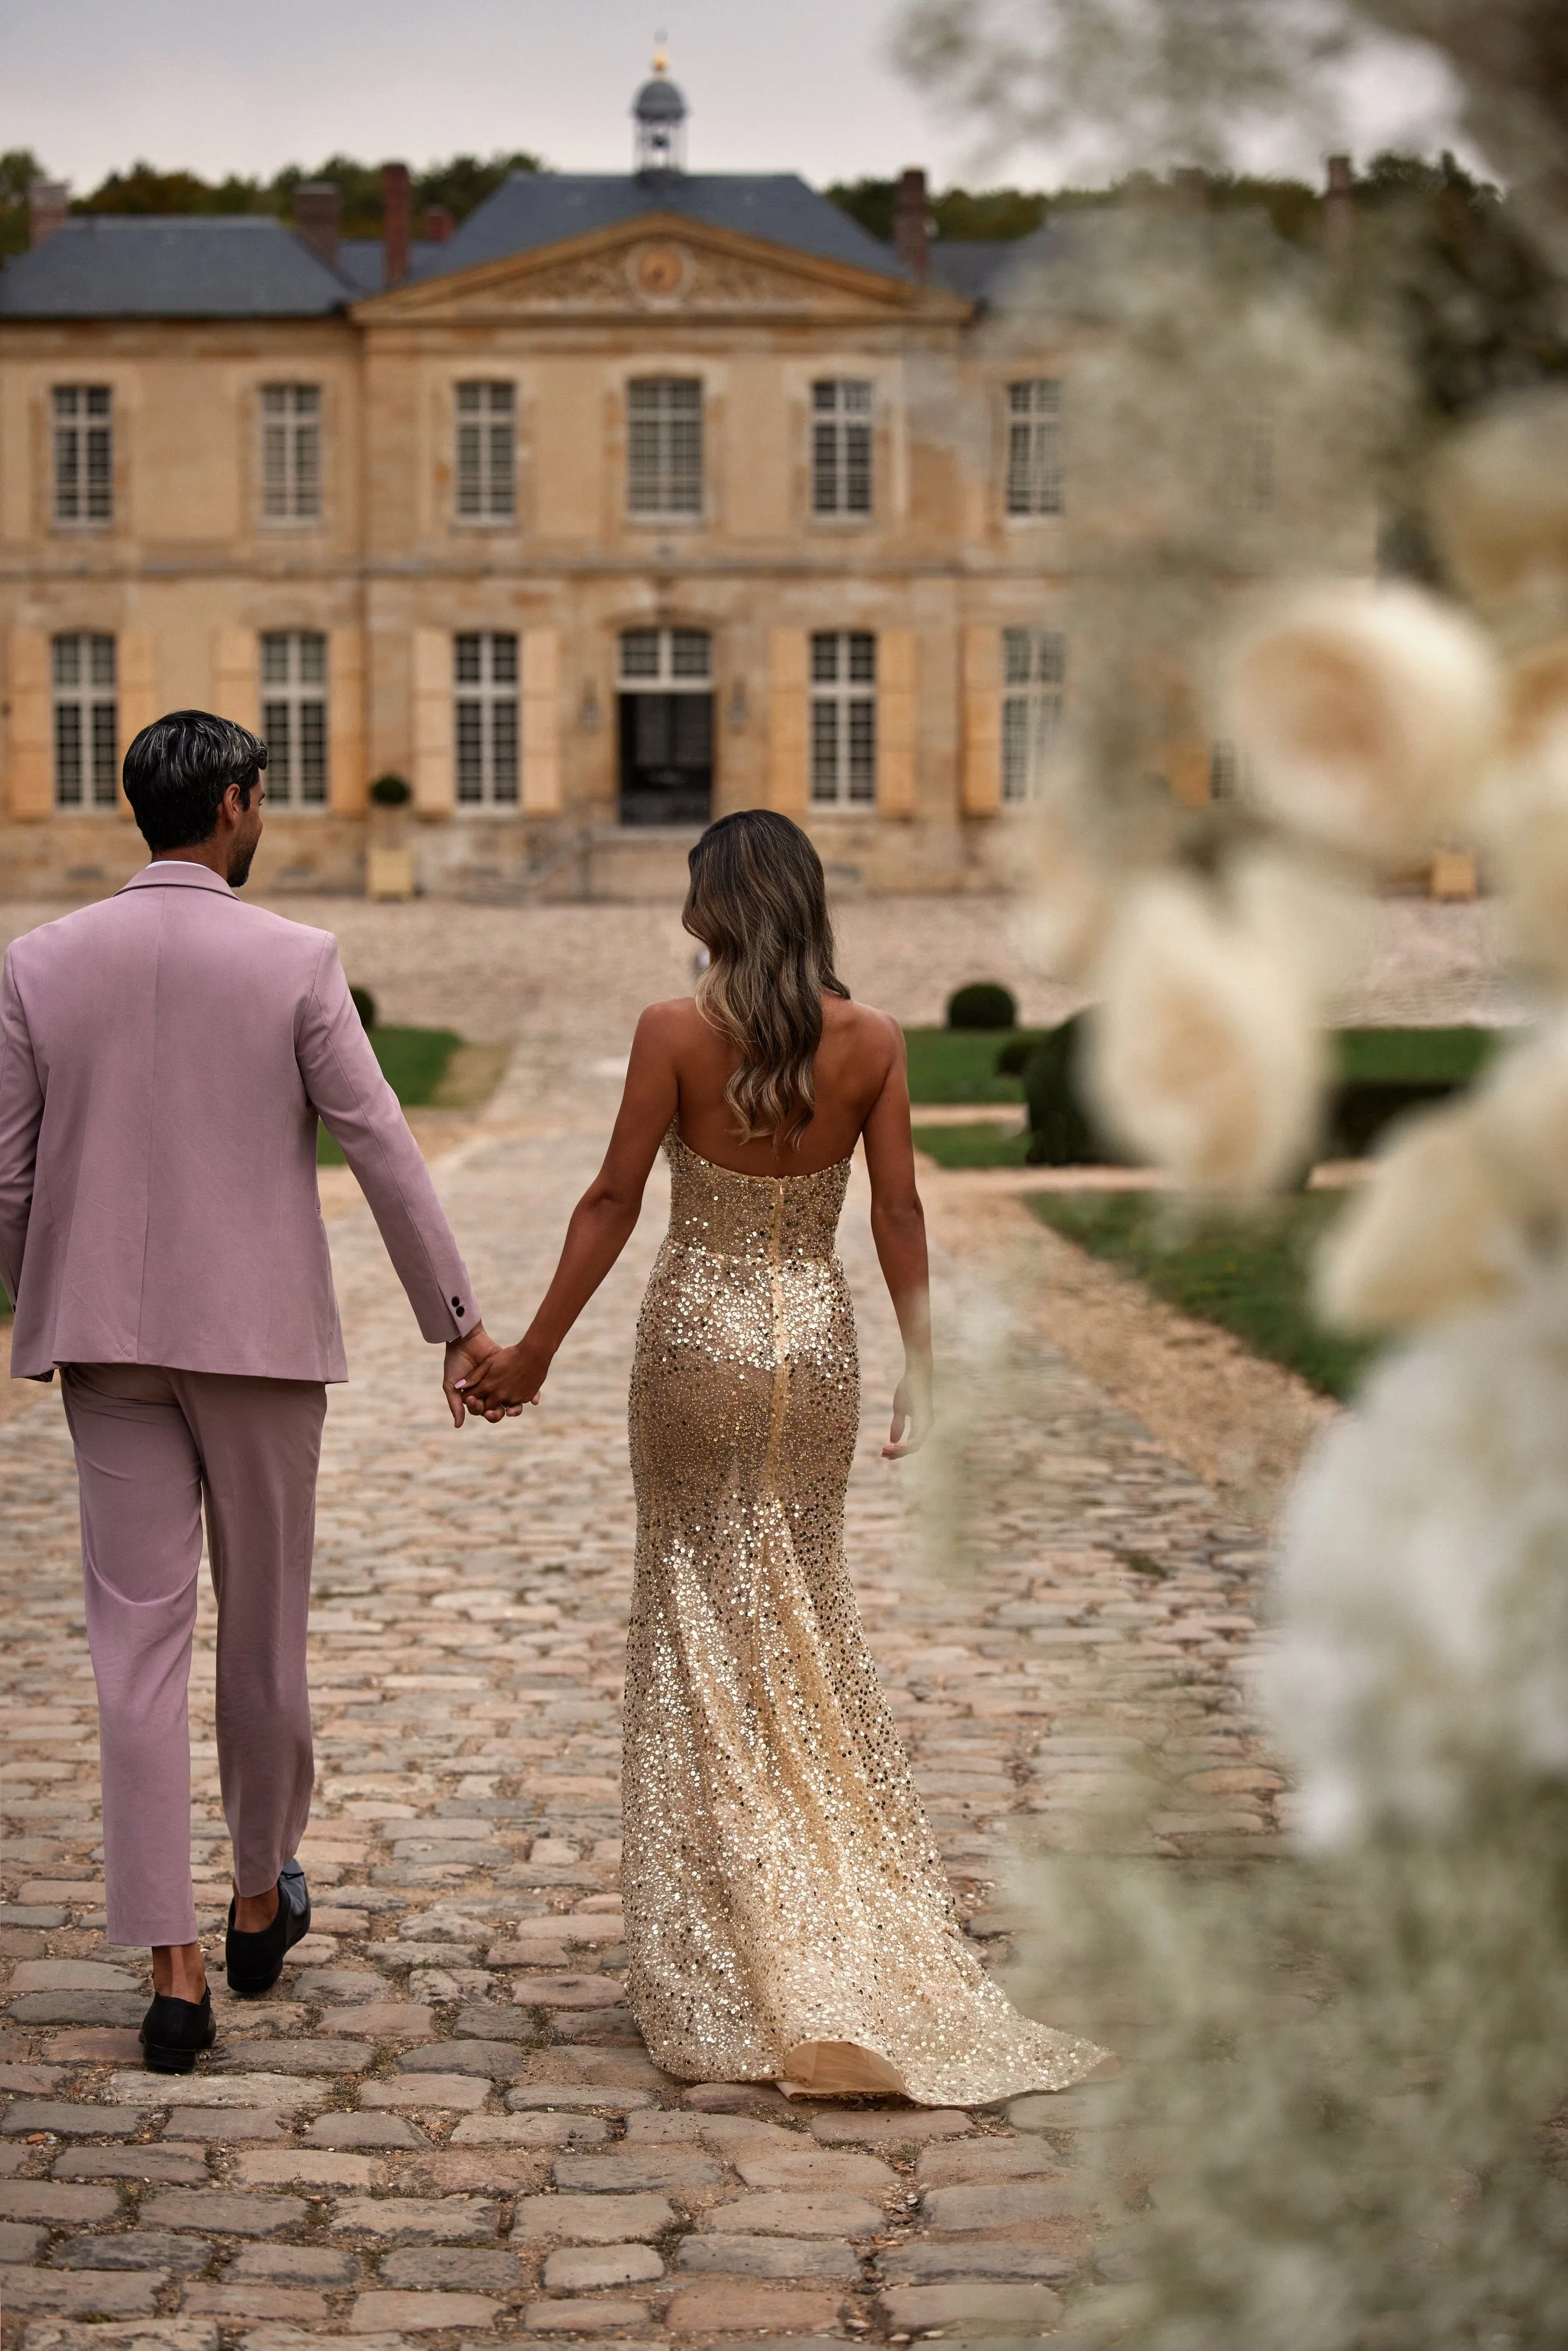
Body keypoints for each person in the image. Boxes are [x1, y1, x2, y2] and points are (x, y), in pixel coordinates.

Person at [457, 808, 1107, 2103]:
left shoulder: (674, 1031)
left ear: (718, 905)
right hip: (811, 1340)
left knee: (701, 1611)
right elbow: (901, 1208)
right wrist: (926, 1365)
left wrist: (530, 1348)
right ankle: (817, 1894)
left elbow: (611, 1198)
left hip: (696, 1335)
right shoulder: (869, 1041)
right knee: (798, 1604)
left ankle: (729, 1931)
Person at [0, 712, 498, 2074]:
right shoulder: (294, 957)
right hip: (264, 1346)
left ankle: (172, 1970)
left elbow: (7, 1177)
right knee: (264, 1630)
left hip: (106, 1345)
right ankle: (260, 1891)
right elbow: (380, 1141)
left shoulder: (38, 962)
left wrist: (39, 1300)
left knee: (133, 1649)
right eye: (261, 796)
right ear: (232, 806)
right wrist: (452, 1320)